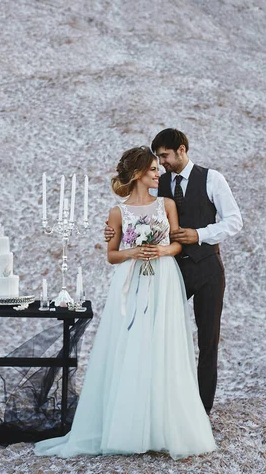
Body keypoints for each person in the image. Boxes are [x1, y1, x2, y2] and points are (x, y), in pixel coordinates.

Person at [34, 146, 216, 460]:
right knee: (133, 343)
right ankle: (129, 427)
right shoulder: (118, 213)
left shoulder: (167, 204)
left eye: (159, 169)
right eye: (153, 170)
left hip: (164, 280)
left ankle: (164, 426)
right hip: (131, 281)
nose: (159, 174)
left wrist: (161, 251)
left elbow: (174, 243)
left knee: (164, 344)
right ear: (136, 175)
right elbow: (112, 255)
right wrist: (134, 252)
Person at [105, 129, 242, 414]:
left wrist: (200, 234)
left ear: (181, 150)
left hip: (206, 268)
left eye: (165, 156)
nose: (162, 163)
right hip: (169, 272)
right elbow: (141, 210)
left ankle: (202, 410)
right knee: (157, 335)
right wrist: (115, 231)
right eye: (158, 159)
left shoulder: (212, 179)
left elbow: (234, 221)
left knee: (208, 340)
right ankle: (157, 404)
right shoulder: (158, 182)